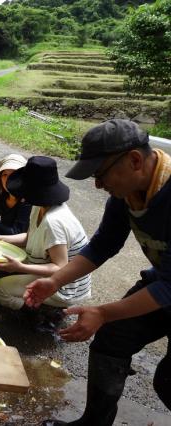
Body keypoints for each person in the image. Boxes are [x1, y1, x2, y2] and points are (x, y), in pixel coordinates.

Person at [23, 120, 171, 426]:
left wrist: (102, 312)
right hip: (164, 280)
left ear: (134, 160)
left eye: (100, 174)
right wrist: (54, 280)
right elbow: (103, 245)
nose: (98, 185)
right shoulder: (126, 195)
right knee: (113, 338)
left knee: (168, 383)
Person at [0, 156, 91, 313]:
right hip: (55, 271)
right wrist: (0, 239)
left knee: (1, 288)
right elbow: (29, 237)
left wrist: (21, 267)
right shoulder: (40, 205)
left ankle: (40, 312)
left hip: (67, 286)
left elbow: (60, 267)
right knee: (8, 259)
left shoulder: (54, 222)